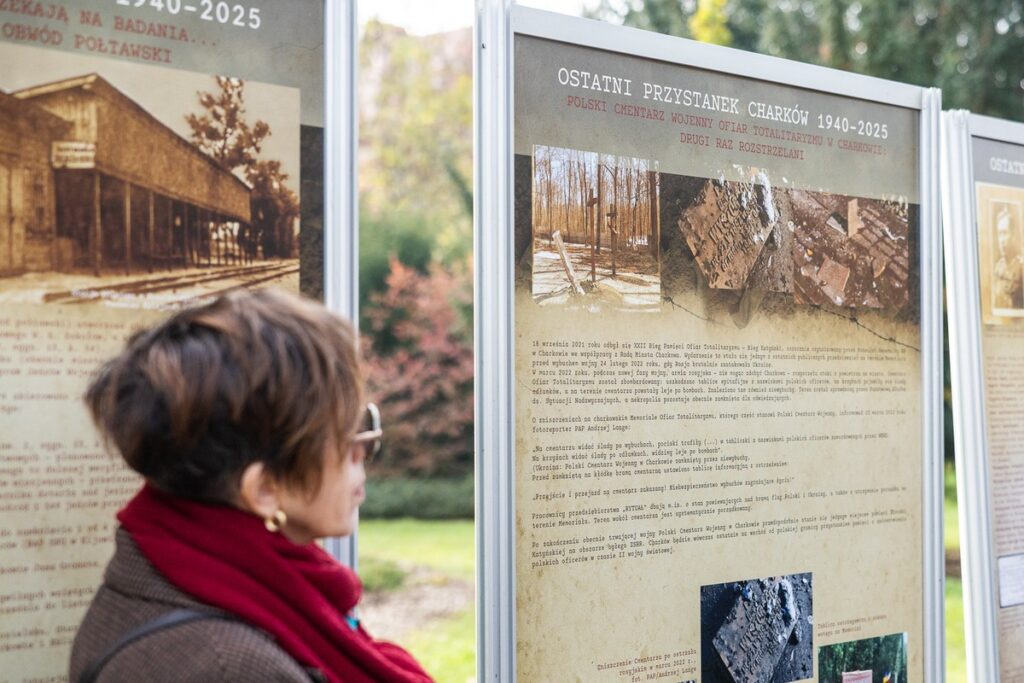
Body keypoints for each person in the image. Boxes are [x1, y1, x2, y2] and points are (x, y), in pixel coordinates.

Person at [68, 289, 433, 683]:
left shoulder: (169, 570)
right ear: (264, 490)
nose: (365, 449)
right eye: (347, 434)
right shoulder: (230, 669)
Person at [993, 207, 1024, 310]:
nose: (1001, 240)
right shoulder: (998, 267)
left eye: (1004, 233)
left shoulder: (1021, 266)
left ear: (1013, 235)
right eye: (999, 234)